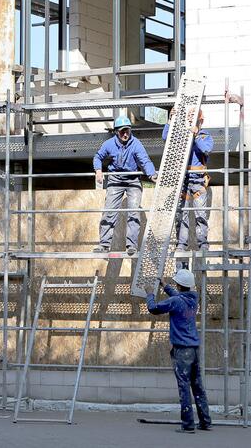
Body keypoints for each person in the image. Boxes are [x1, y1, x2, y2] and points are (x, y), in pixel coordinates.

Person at [145, 269, 212, 434]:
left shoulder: (175, 301)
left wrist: (149, 293)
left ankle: (188, 424)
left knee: (184, 386)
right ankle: (205, 421)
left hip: (182, 350)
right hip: (194, 348)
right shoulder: (193, 298)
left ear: (179, 285)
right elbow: (178, 295)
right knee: (198, 386)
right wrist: (165, 286)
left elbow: (153, 308)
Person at [92, 115, 157, 255]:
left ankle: (131, 245)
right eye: (122, 131)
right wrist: (98, 170)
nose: (125, 134)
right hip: (115, 180)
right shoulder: (109, 144)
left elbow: (145, 160)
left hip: (133, 179)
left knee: (133, 212)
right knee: (109, 211)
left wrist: (152, 174)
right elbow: (98, 156)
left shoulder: (136, 144)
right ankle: (104, 244)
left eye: (127, 130)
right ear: (116, 131)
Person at [162, 108, 213, 253]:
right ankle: (181, 244)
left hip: (198, 181)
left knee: (200, 214)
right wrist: (170, 121)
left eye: (195, 119)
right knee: (181, 213)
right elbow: (166, 138)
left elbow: (206, 150)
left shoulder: (204, 136)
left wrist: (195, 135)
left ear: (200, 121)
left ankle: (203, 244)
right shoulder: (182, 136)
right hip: (183, 180)